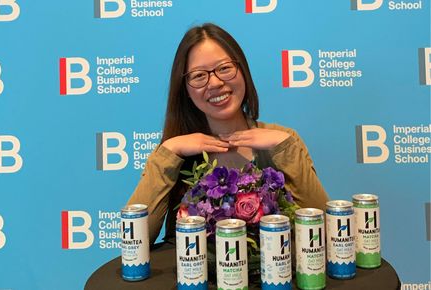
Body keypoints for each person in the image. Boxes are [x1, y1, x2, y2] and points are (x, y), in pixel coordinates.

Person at [128, 23, 329, 244]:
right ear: (184, 88)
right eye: (198, 76)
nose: (215, 82)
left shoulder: (281, 140)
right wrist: (170, 152)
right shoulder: (176, 151)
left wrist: (284, 147)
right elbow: (134, 241)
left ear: (242, 69)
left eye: (224, 68)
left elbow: (325, 229)